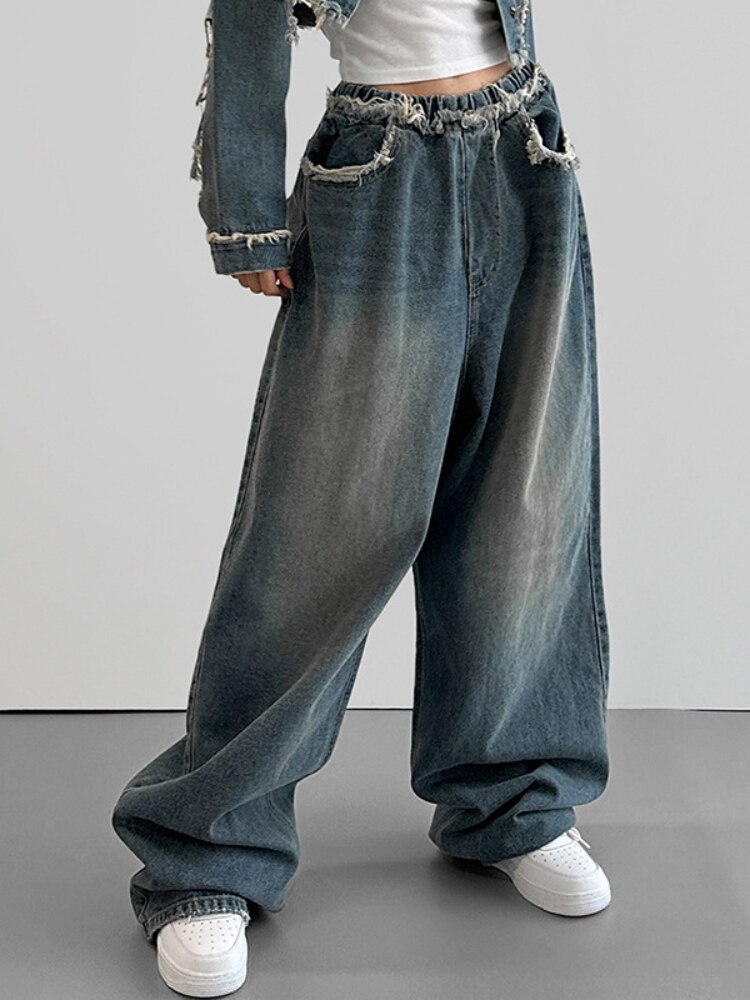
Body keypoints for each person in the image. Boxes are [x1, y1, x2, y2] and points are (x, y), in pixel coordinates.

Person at [111, 1, 612, 995]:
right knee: (323, 532)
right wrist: (245, 210)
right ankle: (210, 849)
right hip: (380, 169)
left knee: (524, 510)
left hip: (525, 150)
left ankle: (513, 798)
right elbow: (247, 18)